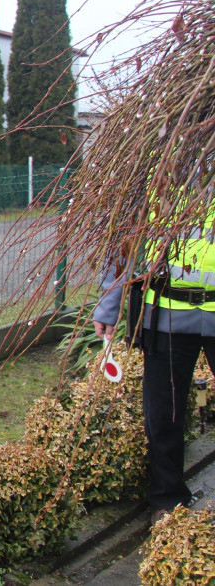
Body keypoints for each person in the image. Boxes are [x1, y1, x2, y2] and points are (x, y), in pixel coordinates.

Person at [93, 206, 215, 526]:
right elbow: (126, 246)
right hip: (166, 315)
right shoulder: (153, 179)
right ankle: (168, 500)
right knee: (162, 414)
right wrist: (109, 306)